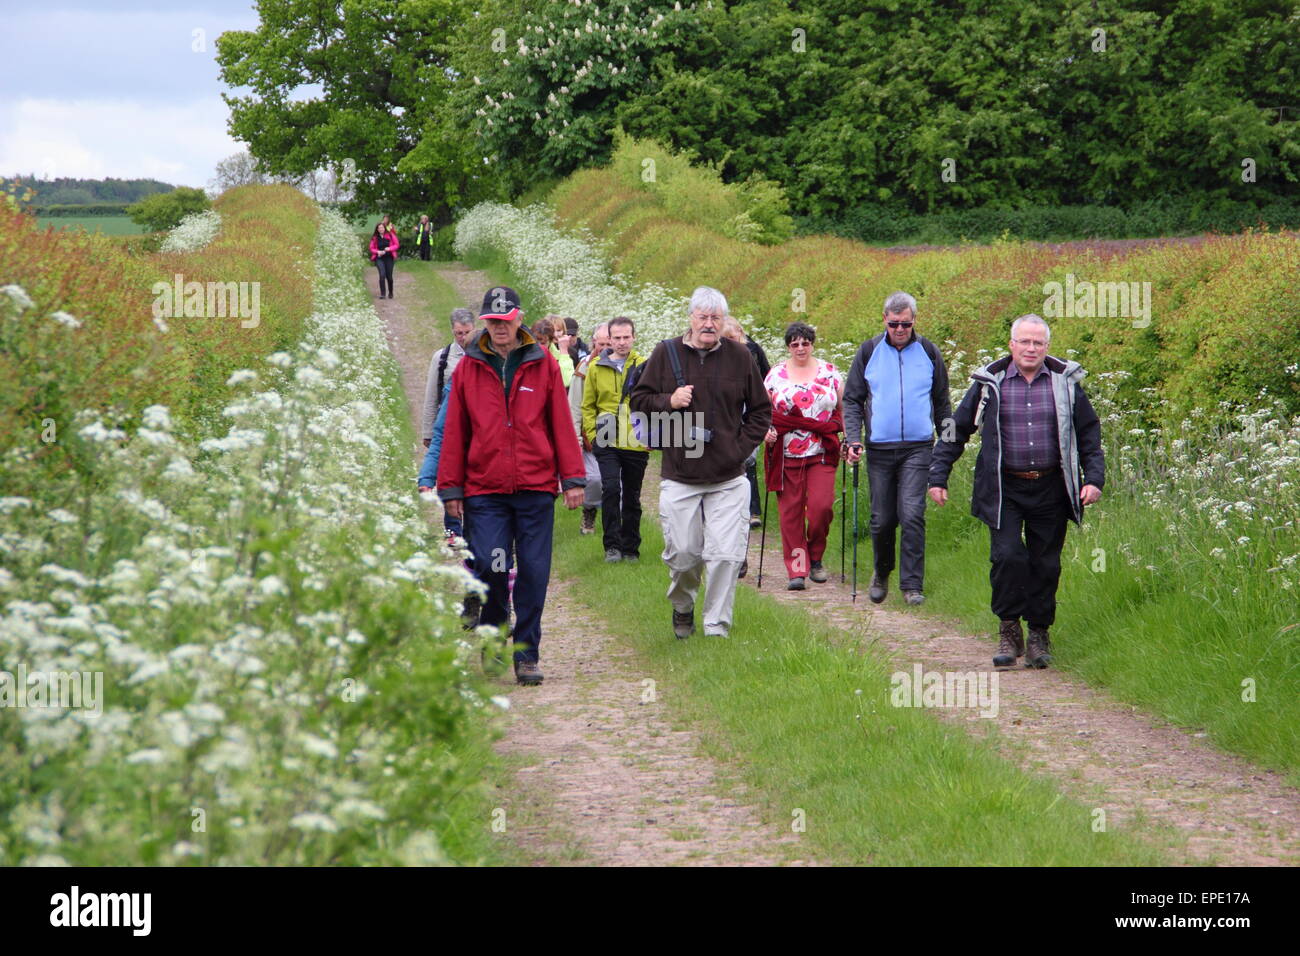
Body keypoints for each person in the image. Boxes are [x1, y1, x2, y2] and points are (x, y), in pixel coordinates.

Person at [928, 313, 1104, 669]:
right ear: (1011, 345)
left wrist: (1093, 479)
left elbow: (1089, 433)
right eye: (1024, 341)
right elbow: (956, 428)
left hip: (1051, 487)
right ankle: (1009, 629)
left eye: (1038, 342)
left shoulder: (1065, 383)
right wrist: (937, 474)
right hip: (1003, 487)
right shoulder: (989, 382)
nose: (1031, 348)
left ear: (1047, 347)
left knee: (1046, 563)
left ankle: (1039, 633)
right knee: (1008, 557)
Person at [436, 286, 586, 685]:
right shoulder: (468, 368)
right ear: (484, 321)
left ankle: (527, 654)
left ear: (518, 319)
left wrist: (572, 478)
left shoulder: (544, 365)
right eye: (492, 321)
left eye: (506, 320)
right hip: (485, 491)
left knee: (534, 572)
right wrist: (450, 489)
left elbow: (560, 424)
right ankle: (494, 632)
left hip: (535, 488)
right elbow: (454, 433)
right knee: (490, 564)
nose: (499, 328)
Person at [630, 287, 771, 639]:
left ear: (723, 322)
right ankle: (682, 606)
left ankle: (715, 628)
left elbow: (760, 410)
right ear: (691, 318)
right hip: (681, 475)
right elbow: (638, 400)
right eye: (703, 317)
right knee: (683, 554)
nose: (709, 324)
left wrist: (738, 449)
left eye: (715, 318)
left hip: (728, 477)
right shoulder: (666, 353)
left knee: (726, 555)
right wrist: (669, 399)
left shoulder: (741, 356)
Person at [843, 291, 951, 607]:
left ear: (914, 320)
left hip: (918, 448)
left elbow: (942, 401)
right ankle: (882, 571)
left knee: (913, 513)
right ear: (884, 320)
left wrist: (947, 445)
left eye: (905, 323)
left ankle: (912, 585)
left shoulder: (929, 352)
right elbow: (851, 399)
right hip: (878, 449)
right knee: (882, 519)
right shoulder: (868, 351)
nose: (900, 329)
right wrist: (853, 438)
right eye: (894, 324)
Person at [763, 322, 844, 589]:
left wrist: (848, 437)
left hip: (821, 450)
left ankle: (816, 558)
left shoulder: (830, 373)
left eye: (805, 343)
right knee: (790, 514)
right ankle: (797, 570)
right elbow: (760, 413)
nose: (800, 348)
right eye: (795, 343)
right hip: (786, 454)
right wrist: (766, 432)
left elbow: (843, 410)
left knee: (821, 508)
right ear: (788, 346)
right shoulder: (774, 375)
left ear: (812, 344)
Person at [582, 316, 648, 562]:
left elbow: (652, 402)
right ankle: (612, 546)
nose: (621, 342)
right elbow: (588, 405)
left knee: (632, 494)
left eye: (626, 337)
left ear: (634, 337)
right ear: (609, 339)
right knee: (611, 489)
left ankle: (631, 547)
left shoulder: (645, 365)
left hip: (635, 440)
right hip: (606, 437)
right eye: (617, 338)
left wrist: (648, 434)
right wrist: (593, 435)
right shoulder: (596, 367)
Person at [421, 307, 477, 537]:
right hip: (449, 423)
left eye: (466, 332)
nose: (463, 338)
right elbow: (432, 396)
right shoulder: (443, 357)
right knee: (449, 474)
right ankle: (453, 529)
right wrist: (428, 431)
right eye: (458, 333)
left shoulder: (484, 353)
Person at [723, 316, 770, 530]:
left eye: (733, 337)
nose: (730, 342)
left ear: (741, 334)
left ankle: (753, 511)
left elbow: (767, 377)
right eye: (726, 339)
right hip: (726, 416)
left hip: (749, 412)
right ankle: (730, 510)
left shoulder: (753, 352)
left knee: (748, 461)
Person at [570, 323, 611, 535]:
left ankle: (615, 530)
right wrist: (576, 439)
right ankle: (589, 510)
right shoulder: (583, 369)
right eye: (600, 343)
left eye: (608, 343)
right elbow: (575, 407)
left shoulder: (625, 364)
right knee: (594, 479)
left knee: (616, 483)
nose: (604, 348)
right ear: (594, 342)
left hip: (616, 433)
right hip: (590, 434)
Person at [369, 221, 399, 299]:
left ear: (384, 228)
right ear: (377, 229)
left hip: (389, 257)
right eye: (379, 228)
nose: (381, 229)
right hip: (379, 258)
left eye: (382, 227)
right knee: (382, 275)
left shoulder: (390, 235)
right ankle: (383, 294)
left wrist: (389, 248)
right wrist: (378, 251)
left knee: (389, 276)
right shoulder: (375, 237)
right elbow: (371, 248)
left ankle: (391, 292)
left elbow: (397, 245)